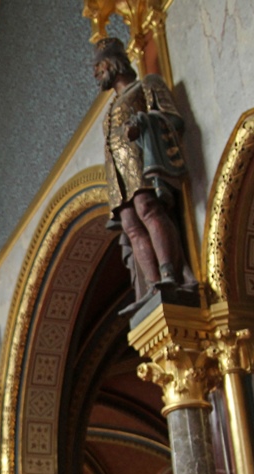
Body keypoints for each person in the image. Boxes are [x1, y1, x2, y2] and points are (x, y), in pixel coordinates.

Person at [94, 36, 196, 316]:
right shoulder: (108, 111)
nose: (96, 74)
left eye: (99, 67)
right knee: (131, 224)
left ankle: (169, 274)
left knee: (147, 209)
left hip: (143, 161)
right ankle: (152, 286)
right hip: (118, 175)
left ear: (115, 64)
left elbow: (173, 118)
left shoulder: (147, 85)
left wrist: (144, 122)